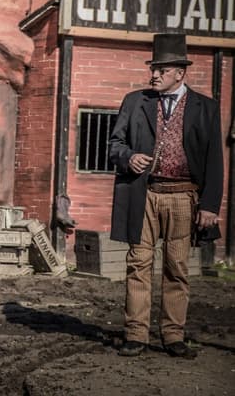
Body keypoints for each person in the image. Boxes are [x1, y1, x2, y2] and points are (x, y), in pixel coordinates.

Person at [109, 33, 223, 360]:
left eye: (162, 69)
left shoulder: (206, 108)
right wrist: (128, 156)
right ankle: (136, 335)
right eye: (153, 68)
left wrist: (211, 205)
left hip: (184, 198)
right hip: (144, 194)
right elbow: (114, 145)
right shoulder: (135, 101)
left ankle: (173, 335)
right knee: (138, 264)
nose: (154, 74)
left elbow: (216, 160)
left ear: (180, 73)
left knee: (177, 267)